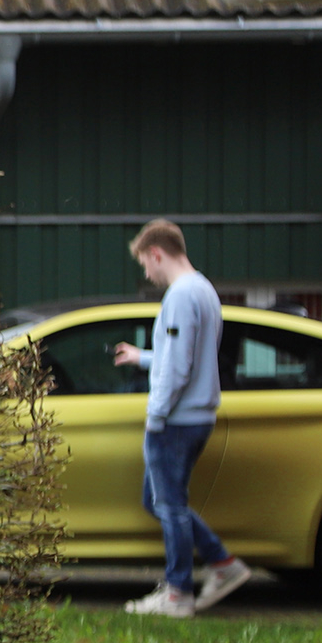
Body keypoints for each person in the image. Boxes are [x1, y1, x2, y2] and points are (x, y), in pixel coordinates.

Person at [110, 218, 250, 617]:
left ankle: (178, 594)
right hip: (198, 415)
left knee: (168, 504)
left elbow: (178, 368)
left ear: (157, 253)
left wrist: (155, 417)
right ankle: (223, 565)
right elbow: (186, 357)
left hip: (175, 421)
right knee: (160, 500)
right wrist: (143, 357)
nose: (147, 274)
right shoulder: (204, 291)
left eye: (145, 265)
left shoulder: (180, 296)